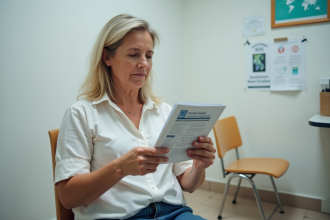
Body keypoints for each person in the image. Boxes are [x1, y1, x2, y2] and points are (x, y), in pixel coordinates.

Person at [55, 14, 216, 220]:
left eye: (148, 56)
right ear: (107, 58)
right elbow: (68, 197)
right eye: (133, 54)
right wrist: (120, 168)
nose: (144, 64)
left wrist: (198, 167)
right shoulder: (81, 114)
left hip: (174, 213)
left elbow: (188, 184)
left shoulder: (164, 111)